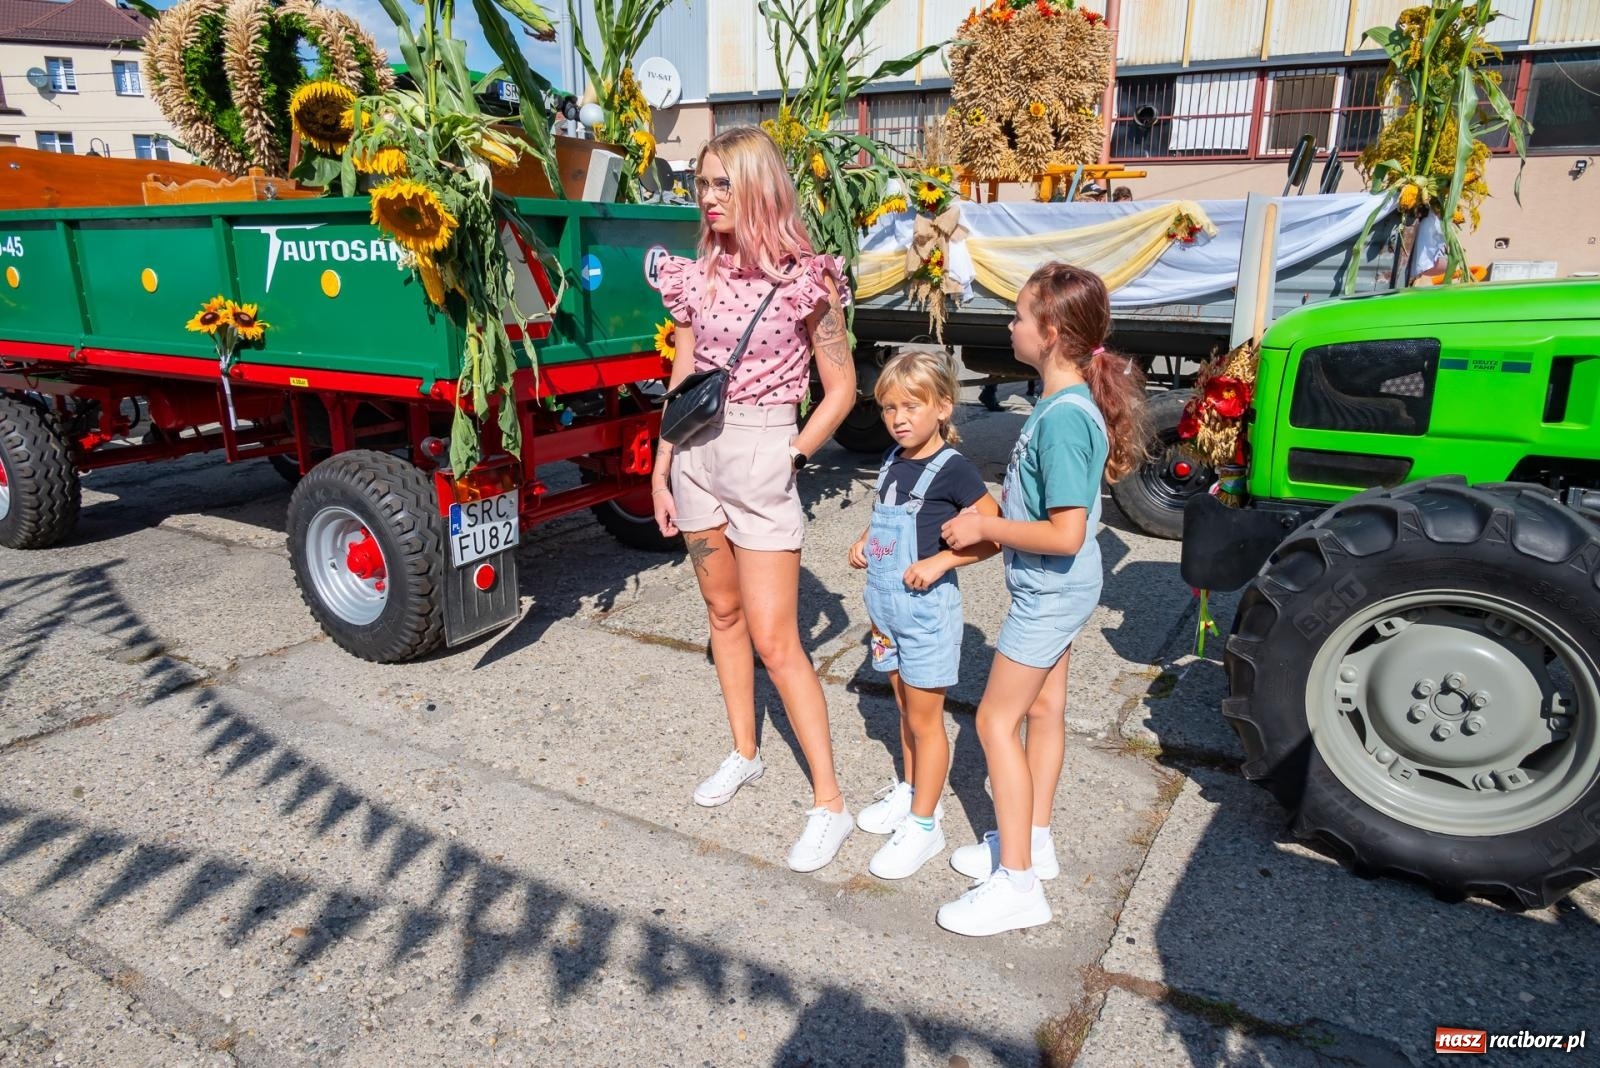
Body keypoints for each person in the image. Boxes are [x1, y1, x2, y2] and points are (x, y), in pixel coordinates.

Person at [648, 126, 860, 873]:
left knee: (778, 640)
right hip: (697, 457)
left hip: (766, 453)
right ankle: (744, 751)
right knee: (723, 615)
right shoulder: (693, 274)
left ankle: (830, 804)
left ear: (757, 187)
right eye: (701, 184)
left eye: (720, 184)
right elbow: (684, 374)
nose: (706, 198)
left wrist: (794, 455)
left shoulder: (808, 280)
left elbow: (843, 391)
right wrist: (662, 464)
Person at [935, 263, 1150, 936]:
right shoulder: (1062, 403)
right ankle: (1035, 840)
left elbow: (1064, 532)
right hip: (1061, 589)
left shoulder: (1063, 418)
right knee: (1046, 710)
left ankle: (1018, 883)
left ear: (1051, 333)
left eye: (1020, 316)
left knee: (994, 723)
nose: (1010, 325)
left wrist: (983, 526)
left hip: (1049, 594)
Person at [847, 351, 1000, 880]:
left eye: (910, 406)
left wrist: (943, 561)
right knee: (902, 708)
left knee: (926, 720)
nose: (898, 418)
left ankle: (924, 826)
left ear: (942, 407)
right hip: (885, 612)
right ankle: (914, 792)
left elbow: (992, 530)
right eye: (888, 407)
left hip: (926, 614)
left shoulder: (952, 468)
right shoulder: (893, 460)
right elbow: (889, 520)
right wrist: (866, 540)